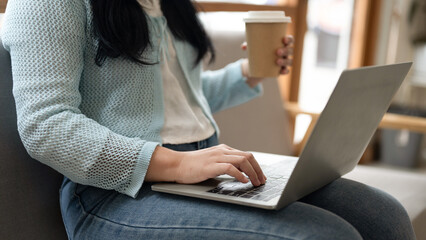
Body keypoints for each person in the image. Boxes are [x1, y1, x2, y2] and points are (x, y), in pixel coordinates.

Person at [1, 0, 415, 239]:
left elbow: (183, 102)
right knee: (326, 236)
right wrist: (178, 164)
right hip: (114, 193)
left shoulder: (172, 4)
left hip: (205, 174)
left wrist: (250, 73)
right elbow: (46, 124)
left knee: (385, 218)